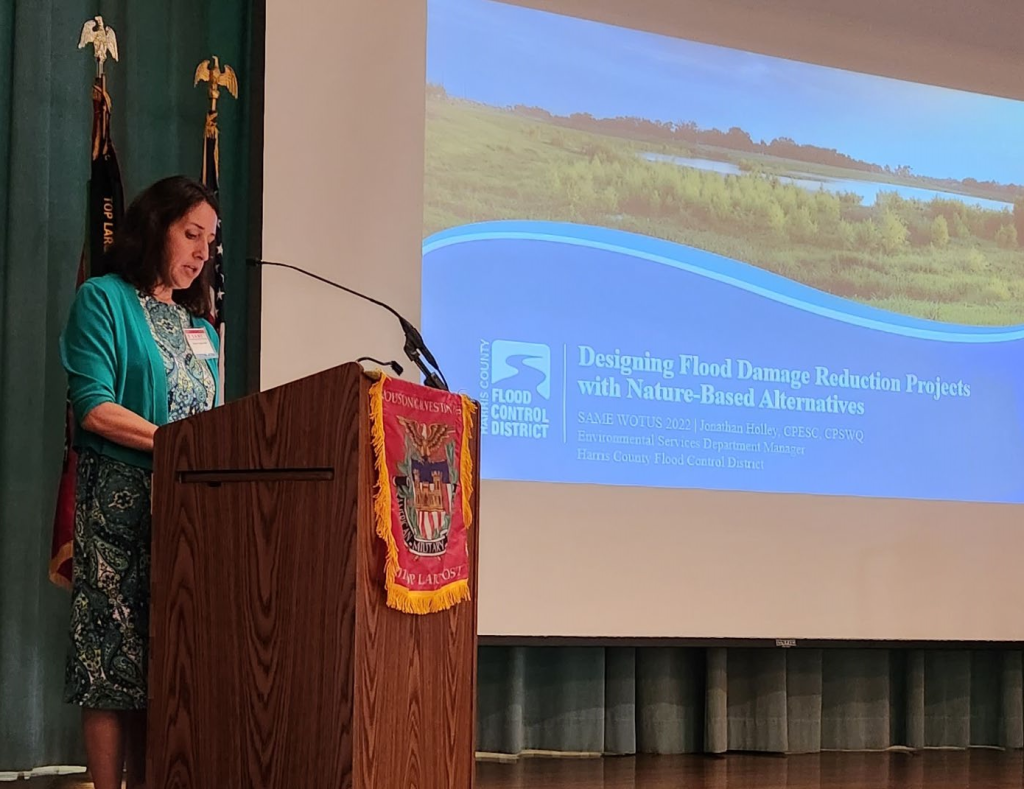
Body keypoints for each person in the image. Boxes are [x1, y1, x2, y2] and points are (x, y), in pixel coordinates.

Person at [59, 175, 221, 789]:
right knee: (110, 664)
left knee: (166, 664)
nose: (203, 252)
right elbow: (94, 407)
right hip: (116, 512)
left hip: (185, 517)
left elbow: (215, 421)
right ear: (156, 228)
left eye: (210, 241)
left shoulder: (201, 327)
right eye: (192, 234)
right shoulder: (102, 300)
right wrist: (176, 445)